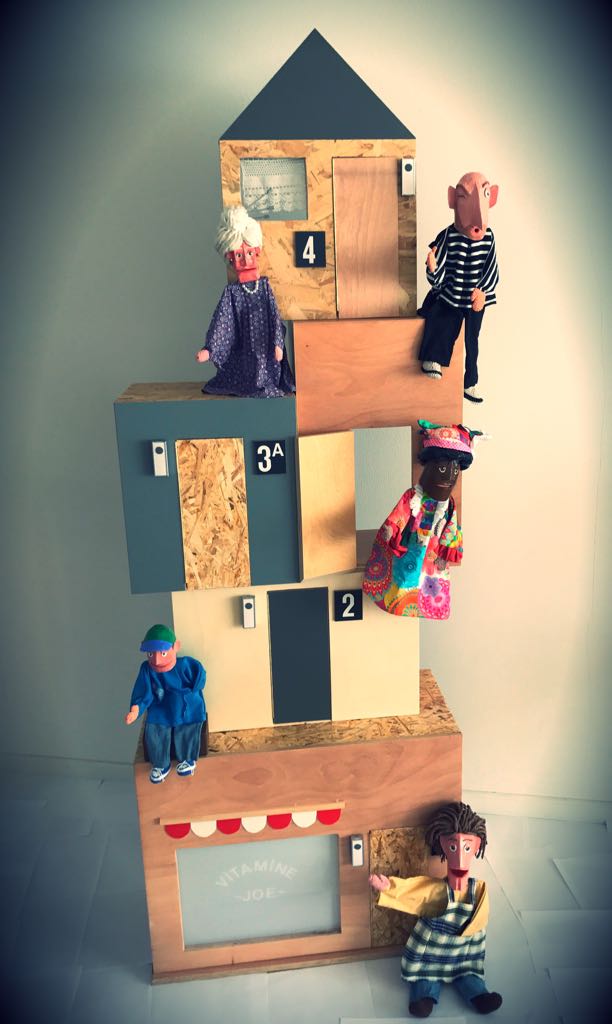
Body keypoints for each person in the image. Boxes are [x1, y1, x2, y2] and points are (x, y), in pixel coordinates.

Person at [370, 802, 503, 1018]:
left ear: (477, 846)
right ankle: (424, 996)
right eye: (453, 848)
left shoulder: (479, 890)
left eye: (467, 848)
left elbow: (481, 919)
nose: (460, 858)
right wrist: (390, 887)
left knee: (469, 975)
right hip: (431, 955)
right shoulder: (437, 889)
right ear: (442, 844)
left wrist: (466, 933)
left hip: (463, 955)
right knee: (426, 976)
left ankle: (478, 994)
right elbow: (415, 891)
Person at [363, 421, 481, 619]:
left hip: (433, 549)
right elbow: (399, 516)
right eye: (442, 469)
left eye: (455, 472)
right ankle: (393, 600)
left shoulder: (448, 505)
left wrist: (451, 545)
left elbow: (451, 526)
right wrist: (393, 529)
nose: (449, 477)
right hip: (409, 540)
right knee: (401, 572)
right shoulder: (413, 497)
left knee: (430, 578)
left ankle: (425, 606)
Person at [196, 205, 296, 398]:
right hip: (244, 351)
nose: (245, 260)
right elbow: (223, 321)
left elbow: (274, 316)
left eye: (249, 253)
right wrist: (210, 349)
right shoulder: (232, 292)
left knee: (268, 368)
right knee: (246, 372)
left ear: (256, 252)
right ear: (231, 258)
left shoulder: (264, 287)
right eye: (239, 255)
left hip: (266, 347)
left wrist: (277, 343)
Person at [418, 172, 499, 404]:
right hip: (451, 297)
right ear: (453, 200)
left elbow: (492, 268)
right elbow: (439, 272)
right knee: (443, 324)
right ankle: (433, 360)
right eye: (464, 197)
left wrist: (483, 291)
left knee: (473, 340)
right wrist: (433, 269)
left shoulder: (489, 238)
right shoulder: (448, 236)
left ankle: (470, 382)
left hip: (474, 302)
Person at [125, 624, 207, 784]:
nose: (156, 660)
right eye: (151, 654)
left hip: (184, 706)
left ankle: (188, 759)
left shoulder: (184, 665)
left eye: (163, 653)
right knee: (155, 730)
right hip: (161, 706)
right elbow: (143, 690)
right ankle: (160, 764)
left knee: (187, 727)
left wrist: (192, 691)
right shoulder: (147, 669)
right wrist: (136, 709)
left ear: (176, 647)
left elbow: (199, 674)